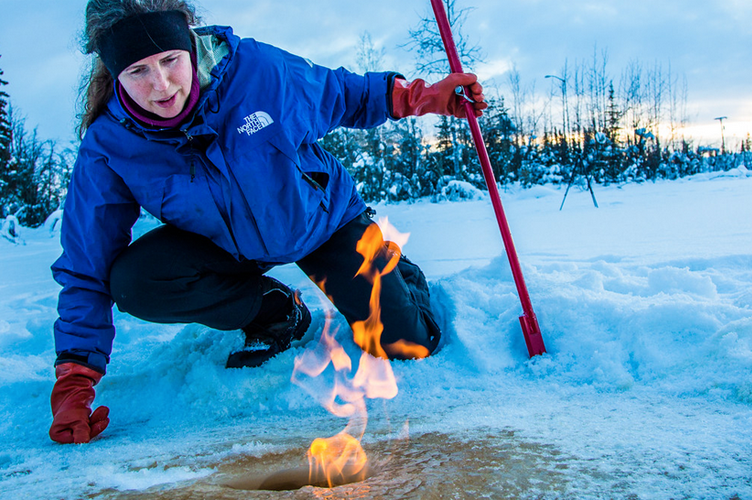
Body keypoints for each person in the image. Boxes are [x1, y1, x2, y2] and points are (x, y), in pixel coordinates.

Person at [48, 0, 488, 445]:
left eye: (169, 60)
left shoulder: (257, 73)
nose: (161, 85)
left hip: (319, 223)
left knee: (408, 343)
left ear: (188, 42)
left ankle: (393, 268)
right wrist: (74, 380)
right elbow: (87, 261)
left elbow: (343, 93)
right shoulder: (109, 144)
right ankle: (277, 313)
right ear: (113, 73)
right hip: (224, 244)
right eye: (137, 71)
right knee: (134, 281)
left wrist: (421, 97)